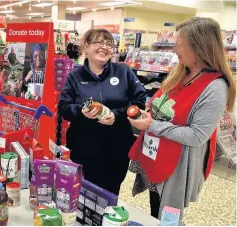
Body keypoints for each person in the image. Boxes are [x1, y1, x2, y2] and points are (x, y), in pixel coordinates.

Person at [128, 17, 236, 220]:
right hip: (156, 155)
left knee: (168, 216)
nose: (174, 50)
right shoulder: (181, 73)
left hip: (177, 165)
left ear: (199, 47)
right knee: (155, 206)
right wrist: (149, 115)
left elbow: (197, 135)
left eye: (179, 45)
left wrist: (153, 124)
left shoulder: (216, 87)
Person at [58, 29, 146, 195]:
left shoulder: (124, 72)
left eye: (108, 44)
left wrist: (117, 115)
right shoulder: (74, 77)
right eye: (99, 42)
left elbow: (139, 101)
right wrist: (80, 111)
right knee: (82, 192)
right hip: (83, 147)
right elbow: (64, 108)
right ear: (86, 46)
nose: (104, 47)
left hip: (116, 147)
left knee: (110, 193)